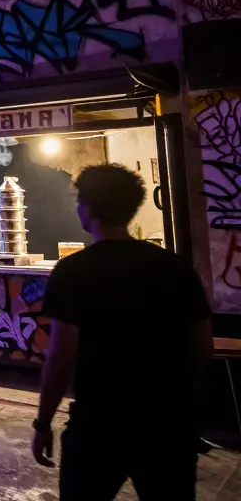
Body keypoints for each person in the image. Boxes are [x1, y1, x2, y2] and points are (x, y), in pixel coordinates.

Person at [32, 164, 211, 499]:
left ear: (88, 209)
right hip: (168, 425)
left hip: (99, 424)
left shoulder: (73, 272)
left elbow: (60, 358)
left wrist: (43, 424)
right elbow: (203, 346)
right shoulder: (174, 267)